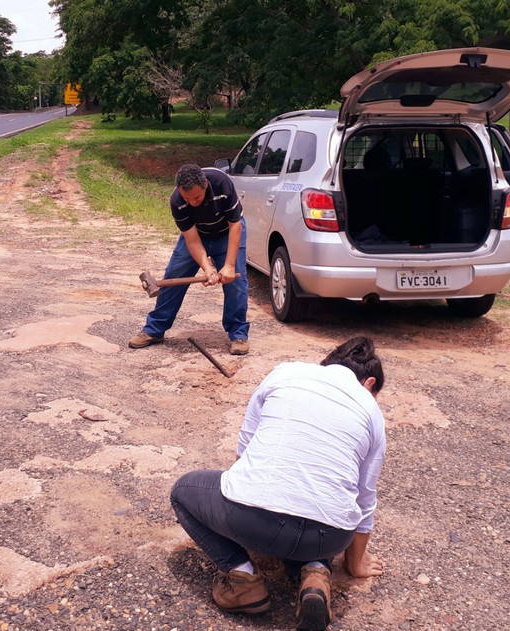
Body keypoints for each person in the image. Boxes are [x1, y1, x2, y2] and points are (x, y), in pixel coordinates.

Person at [170, 337, 387, 630]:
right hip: (329, 536)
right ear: (370, 383)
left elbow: (244, 451)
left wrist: (249, 515)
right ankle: (315, 573)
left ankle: (242, 578)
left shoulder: (285, 372)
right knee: (326, 500)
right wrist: (355, 564)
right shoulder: (371, 411)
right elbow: (364, 498)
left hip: (255, 524)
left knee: (183, 492)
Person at [129, 164, 250, 355]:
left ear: (205, 185)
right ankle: (154, 330)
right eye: (187, 198)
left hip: (227, 233)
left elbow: (235, 225)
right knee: (174, 276)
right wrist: (208, 268)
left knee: (236, 281)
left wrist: (228, 266)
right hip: (197, 235)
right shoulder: (177, 201)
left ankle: (238, 334)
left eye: (197, 197)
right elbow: (192, 240)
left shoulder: (221, 183)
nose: (193, 202)